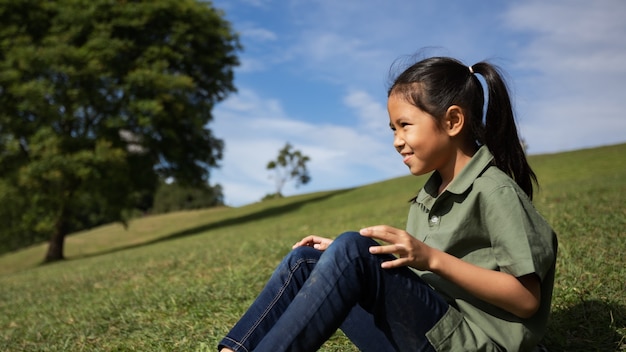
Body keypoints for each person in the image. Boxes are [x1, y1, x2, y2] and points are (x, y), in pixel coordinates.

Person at [218, 56, 558, 352]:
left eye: (405, 126)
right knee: (310, 261)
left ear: (453, 121)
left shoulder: (493, 191)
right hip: (432, 335)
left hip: (473, 343)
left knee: (352, 247)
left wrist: (430, 258)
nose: (397, 141)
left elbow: (526, 300)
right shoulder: (429, 197)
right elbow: (420, 284)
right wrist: (343, 261)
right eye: (392, 129)